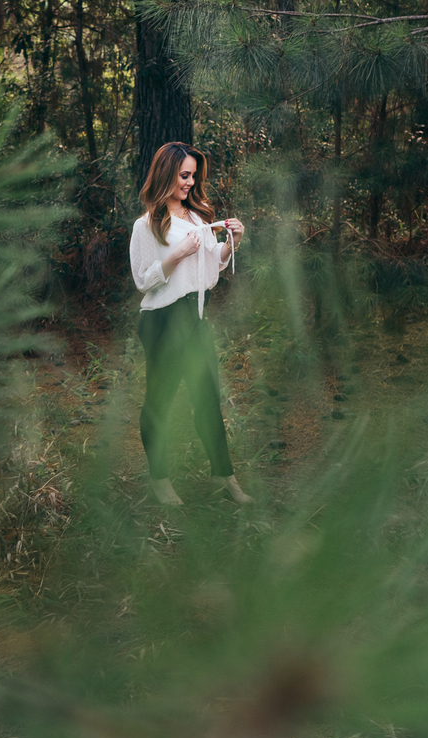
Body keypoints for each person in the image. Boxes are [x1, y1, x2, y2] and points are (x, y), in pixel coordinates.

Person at [130, 142, 253, 505]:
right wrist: (176, 255)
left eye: (193, 176)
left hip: (196, 317)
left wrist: (232, 243)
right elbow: (142, 279)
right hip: (163, 321)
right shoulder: (147, 224)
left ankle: (223, 476)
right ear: (167, 173)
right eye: (184, 175)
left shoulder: (198, 218)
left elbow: (211, 267)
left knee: (208, 399)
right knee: (160, 402)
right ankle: (159, 478)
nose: (189, 182)